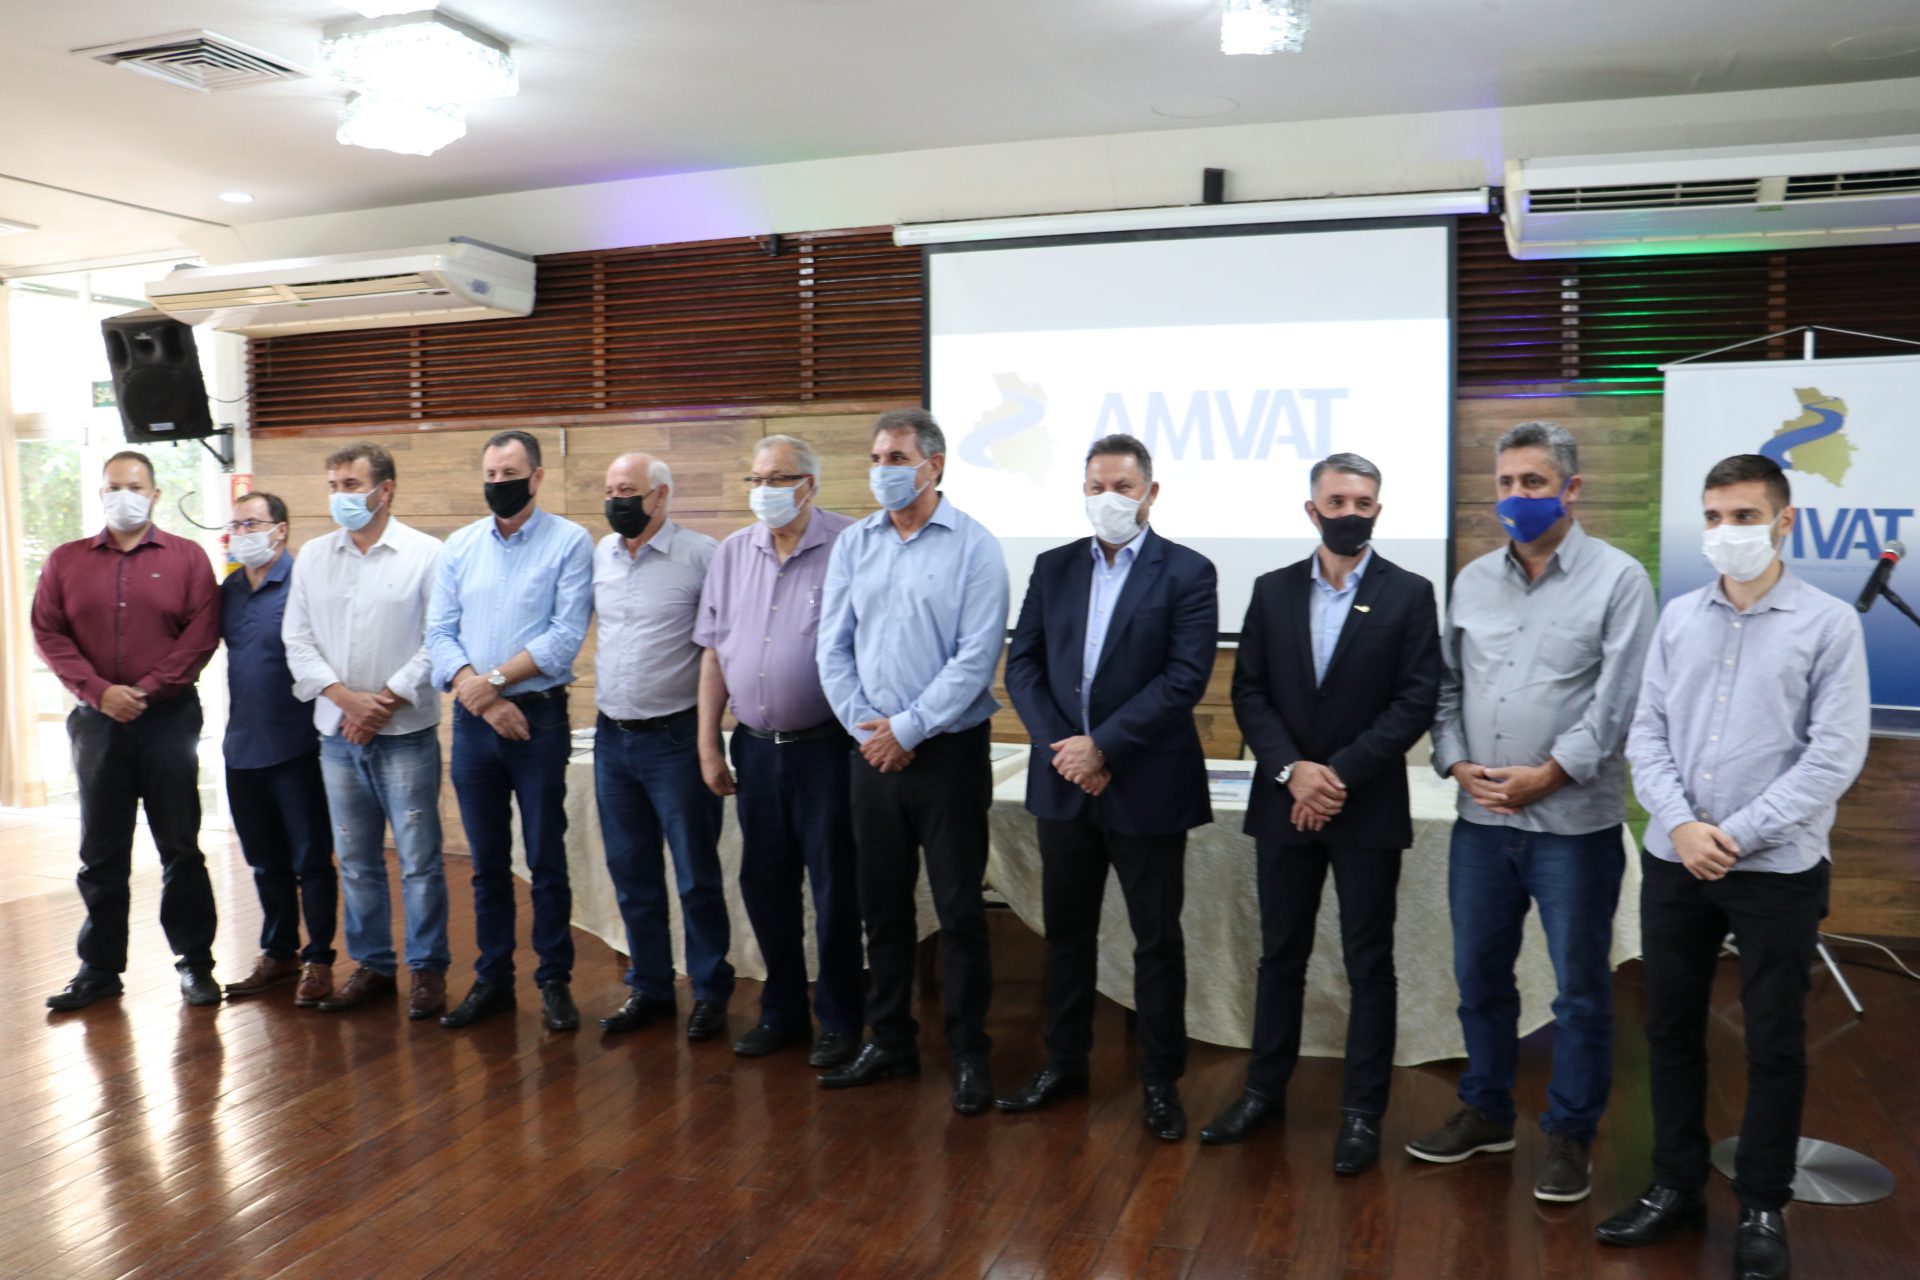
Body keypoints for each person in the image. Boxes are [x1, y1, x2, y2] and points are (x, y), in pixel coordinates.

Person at [1598, 454, 1869, 1280]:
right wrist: (1683, 826)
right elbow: (1646, 733)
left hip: (1776, 866)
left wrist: (1734, 835)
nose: (1726, 532)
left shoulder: (1829, 624)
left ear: (1785, 522)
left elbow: (1834, 755)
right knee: (1670, 1030)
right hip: (1676, 858)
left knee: (1775, 1040)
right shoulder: (1680, 618)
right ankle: (1675, 1186)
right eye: (1714, 517)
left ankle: (1761, 1204)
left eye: (1744, 517)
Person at [1410, 421, 1656, 1203]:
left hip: (1572, 828)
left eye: (1534, 483)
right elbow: (1446, 688)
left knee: (1579, 991)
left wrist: (1548, 775)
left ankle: (1570, 1135)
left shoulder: (1619, 580)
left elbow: (1619, 701)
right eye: (1507, 483)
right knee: (1478, 977)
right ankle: (1487, 1112)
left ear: (1571, 488)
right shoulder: (1472, 581)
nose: (1516, 497)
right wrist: (1455, 762)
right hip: (1481, 823)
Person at [1201, 453, 1441, 1172]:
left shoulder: (1411, 593)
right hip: (1285, 801)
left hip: (1365, 804)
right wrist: (1293, 771)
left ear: (1378, 510)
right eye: (1337, 502)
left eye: (1363, 503)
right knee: (1280, 957)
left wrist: (1334, 776)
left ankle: (1362, 1114)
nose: (1350, 514)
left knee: (1369, 964)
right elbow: (1249, 691)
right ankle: (1262, 1093)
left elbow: (1415, 700)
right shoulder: (1272, 590)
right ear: (1312, 510)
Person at [998, 433, 1217, 1141]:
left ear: (1151, 492)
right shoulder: (1054, 566)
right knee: (1067, 936)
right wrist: (1066, 750)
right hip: (1064, 781)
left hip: (1146, 782)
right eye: (1096, 487)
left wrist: (1104, 746)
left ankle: (1160, 1082)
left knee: (1156, 941)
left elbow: (1184, 679)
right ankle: (1064, 1065)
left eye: (1122, 487)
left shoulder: (1188, 571)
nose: (1108, 499)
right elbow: (1023, 664)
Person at [815, 408, 1010, 1114]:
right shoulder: (855, 544)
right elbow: (832, 647)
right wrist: (870, 730)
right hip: (870, 751)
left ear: (934, 465)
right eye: (877, 459)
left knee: (959, 911)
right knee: (883, 907)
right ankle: (890, 1041)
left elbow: (976, 658)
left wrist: (908, 729)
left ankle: (968, 1054)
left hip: (948, 753)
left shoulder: (975, 547)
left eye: (896, 459)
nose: (883, 471)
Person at [694, 435, 864, 1067]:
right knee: (766, 884)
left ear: (809, 485)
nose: (763, 490)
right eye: (756, 479)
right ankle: (782, 1010)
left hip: (828, 748)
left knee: (836, 889)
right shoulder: (732, 553)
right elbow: (714, 652)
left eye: (778, 478)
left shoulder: (851, 545)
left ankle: (841, 1018)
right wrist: (708, 743)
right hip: (756, 749)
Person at [34, 450, 222, 1010]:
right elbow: (47, 632)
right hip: (97, 724)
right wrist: (100, 692)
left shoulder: (188, 558)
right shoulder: (66, 561)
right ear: (100, 494)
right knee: (101, 852)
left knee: (180, 847)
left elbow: (201, 635)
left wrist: (145, 690)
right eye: (114, 486)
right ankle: (99, 970)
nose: (125, 496)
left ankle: (195, 963)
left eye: (135, 486)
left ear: (155, 494)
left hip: (168, 720)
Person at [427, 430, 593, 1032]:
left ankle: (554, 981)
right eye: (491, 474)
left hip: (539, 718)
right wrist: (480, 694)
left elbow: (564, 636)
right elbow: (439, 633)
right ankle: (493, 979)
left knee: (547, 857)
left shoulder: (570, 542)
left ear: (537, 476)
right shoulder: (461, 546)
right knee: (486, 862)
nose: (499, 484)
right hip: (475, 724)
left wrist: (491, 682)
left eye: (510, 473)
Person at [282, 443, 449, 1017]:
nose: (341, 496)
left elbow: (438, 640)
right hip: (336, 733)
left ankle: (427, 969)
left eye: (351, 485)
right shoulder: (313, 557)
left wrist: (386, 699)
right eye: (334, 485)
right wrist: (347, 701)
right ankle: (373, 964)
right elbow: (297, 640)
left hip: (406, 732)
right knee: (354, 858)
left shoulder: (427, 554)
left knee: (420, 860)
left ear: (386, 490)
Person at [588, 451, 735, 1042]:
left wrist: (709, 741)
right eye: (610, 490)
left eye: (627, 490)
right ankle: (649, 987)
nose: (615, 500)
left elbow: (719, 649)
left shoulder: (702, 557)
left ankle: (710, 991)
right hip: (611, 739)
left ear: (661, 496)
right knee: (631, 872)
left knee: (696, 875)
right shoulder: (600, 555)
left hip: (676, 739)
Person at [218, 491, 337, 1004]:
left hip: (297, 745)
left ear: (281, 529)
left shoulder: (305, 583)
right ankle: (279, 952)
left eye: (253, 523)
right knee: (264, 861)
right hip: (242, 746)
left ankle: (319, 960)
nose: (242, 533)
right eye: (236, 525)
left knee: (312, 860)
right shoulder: (229, 590)